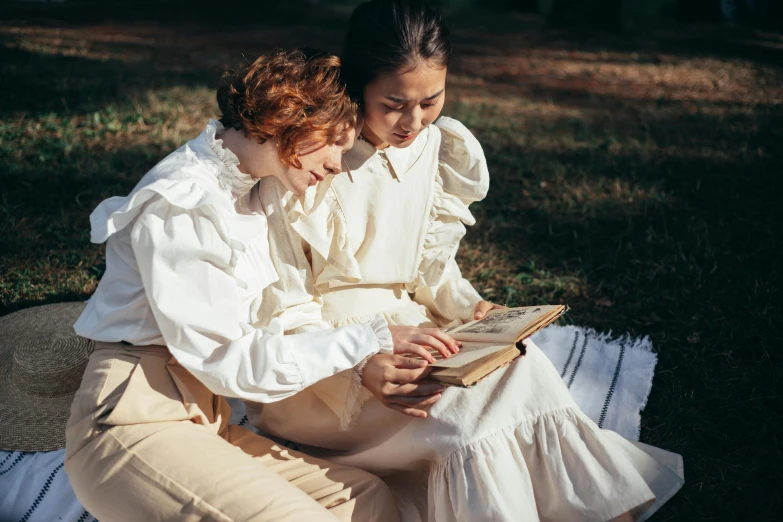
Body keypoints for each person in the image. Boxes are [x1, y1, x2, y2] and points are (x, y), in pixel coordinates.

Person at [247, 2, 685, 521]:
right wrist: (361, 366)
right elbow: (280, 306)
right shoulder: (309, 159)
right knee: (466, 415)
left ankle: (604, 511)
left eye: (431, 99)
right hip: (324, 371)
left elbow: (429, 268)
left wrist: (472, 306)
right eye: (394, 103)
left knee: (524, 368)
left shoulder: (433, 145)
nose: (413, 120)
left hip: (409, 326)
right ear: (358, 85)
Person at [63, 49, 442, 522]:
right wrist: (366, 339)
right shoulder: (184, 203)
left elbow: (289, 312)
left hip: (206, 421)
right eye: (335, 144)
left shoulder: (255, 188)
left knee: (366, 499)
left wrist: (369, 356)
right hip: (133, 423)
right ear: (292, 120)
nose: (338, 165)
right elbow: (229, 362)